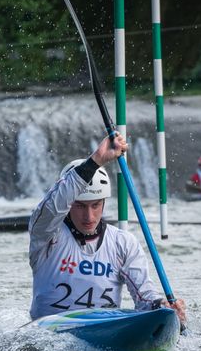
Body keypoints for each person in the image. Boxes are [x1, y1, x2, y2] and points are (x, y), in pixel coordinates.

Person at [28, 133, 187, 327]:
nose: (89, 216)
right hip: (50, 330)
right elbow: (52, 206)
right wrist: (96, 161)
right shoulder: (47, 235)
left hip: (103, 327)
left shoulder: (122, 243)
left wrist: (162, 307)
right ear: (69, 205)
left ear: (104, 202)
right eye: (80, 206)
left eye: (95, 205)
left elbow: (144, 299)